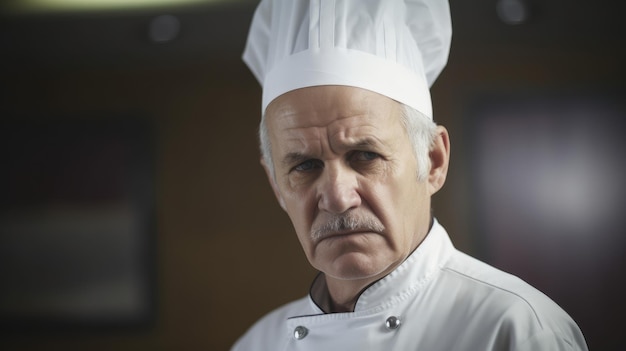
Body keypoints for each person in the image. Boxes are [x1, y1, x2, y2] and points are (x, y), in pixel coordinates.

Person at [232, 0, 588, 350]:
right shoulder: (258, 343)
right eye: (305, 166)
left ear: (433, 160)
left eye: (365, 156)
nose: (338, 197)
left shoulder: (517, 330)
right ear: (276, 185)